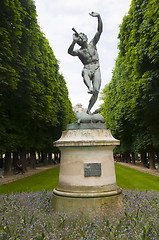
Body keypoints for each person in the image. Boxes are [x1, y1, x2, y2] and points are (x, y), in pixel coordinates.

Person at [68, 12, 103, 114]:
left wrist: (98, 17)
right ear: (78, 41)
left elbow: (99, 31)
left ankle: (88, 109)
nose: (81, 37)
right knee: (85, 73)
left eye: (82, 35)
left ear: (86, 37)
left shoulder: (93, 44)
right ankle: (89, 87)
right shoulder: (79, 51)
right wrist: (73, 41)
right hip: (87, 67)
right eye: (79, 37)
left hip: (96, 67)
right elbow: (70, 52)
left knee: (96, 92)